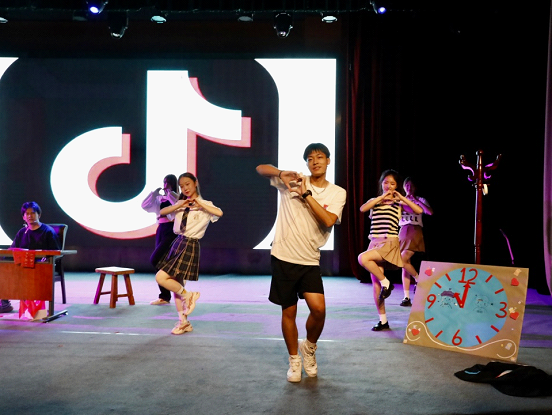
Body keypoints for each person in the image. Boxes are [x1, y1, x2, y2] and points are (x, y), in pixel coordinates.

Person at [256, 143, 347, 383]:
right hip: (283, 256)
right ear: (307, 163)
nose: (315, 161)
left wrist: (306, 194)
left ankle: (309, 347)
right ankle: (294, 359)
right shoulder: (293, 180)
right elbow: (260, 168)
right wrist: (280, 173)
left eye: (320, 157)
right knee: (289, 311)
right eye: (310, 158)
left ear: (328, 161)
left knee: (319, 309)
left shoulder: (337, 192)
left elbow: (329, 220)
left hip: (309, 259)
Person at [154, 172, 223, 335]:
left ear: (195, 183)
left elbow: (219, 213)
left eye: (187, 184)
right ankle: (183, 322)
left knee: (161, 277)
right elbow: (162, 213)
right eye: (182, 186)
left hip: (189, 244)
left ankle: (189, 295)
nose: (185, 188)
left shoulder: (205, 204)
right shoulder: (180, 203)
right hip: (177, 242)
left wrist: (199, 204)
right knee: (176, 285)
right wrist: (181, 204)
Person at [357, 170, 422, 331]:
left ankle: (387, 282)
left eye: (392, 183)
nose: (388, 186)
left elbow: (419, 211)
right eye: (386, 182)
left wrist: (401, 198)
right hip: (374, 243)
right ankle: (383, 321)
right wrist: (381, 197)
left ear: (396, 186)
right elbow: (362, 209)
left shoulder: (398, 204)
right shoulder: (375, 202)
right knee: (376, 286)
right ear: (381, 184)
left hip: (389, 243)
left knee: (362, 258)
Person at [0, 201, 61, 313]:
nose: (30, 216)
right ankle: (4, 302)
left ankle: (37, 307)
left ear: (39, 214)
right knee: (4, 266)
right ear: (23, 217)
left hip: (42, 265)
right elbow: (11, 250)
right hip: (23, 265)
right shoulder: (22, 232)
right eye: (27, 214)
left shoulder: (48, 232)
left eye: (32, 213)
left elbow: (56, 253)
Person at [141, 174, 180, 306]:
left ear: (173, 184)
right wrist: (154, 194)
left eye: (168, 183)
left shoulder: (176, 197)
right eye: (164, 182)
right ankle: (164, 295)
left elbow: (177, 205)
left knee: (155, 259)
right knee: (160, 262)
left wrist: (169, 193)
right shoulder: (160, 198)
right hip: (161, 229)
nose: (165, 185)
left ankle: (171, 285)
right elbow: (145, 206)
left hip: (171, 230)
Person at [398, 177, 433, 307]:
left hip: (414, 230)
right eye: (406, 185)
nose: (409, 188)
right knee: (404, 264)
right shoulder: (400, 200)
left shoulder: (420, 199)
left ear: (415, 187)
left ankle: (418, 279)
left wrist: (416, 201)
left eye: (411, 185)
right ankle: (406, 297)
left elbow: (430, 212)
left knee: (402, 259)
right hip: (402, 231)